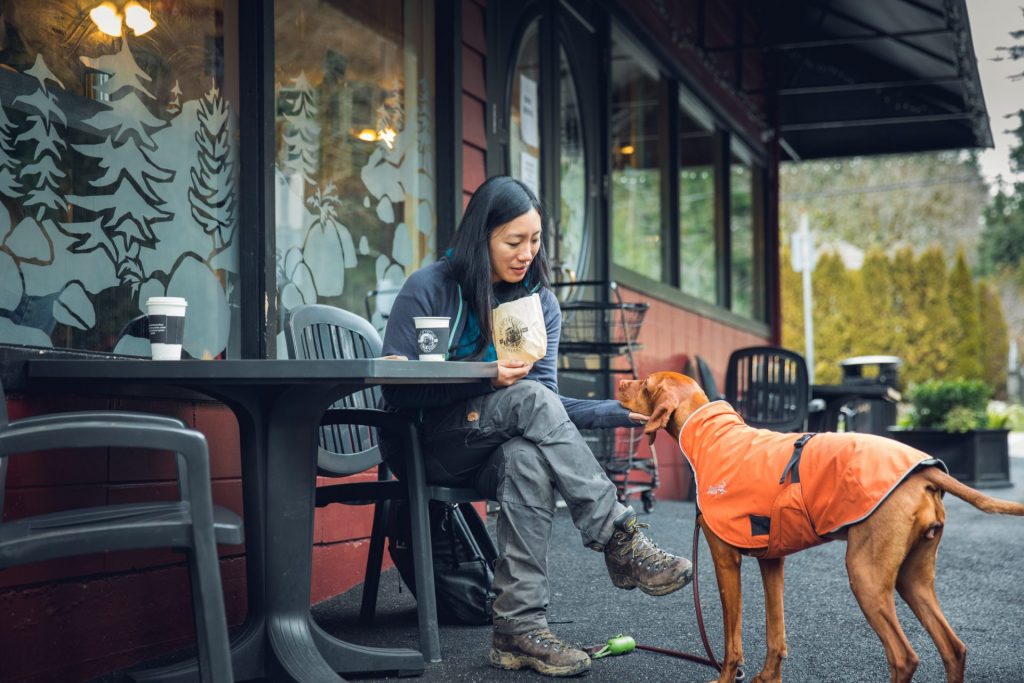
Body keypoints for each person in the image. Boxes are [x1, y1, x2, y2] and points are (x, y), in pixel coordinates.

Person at [380, 175, 692, 677]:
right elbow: (395, 390)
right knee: (523, 400)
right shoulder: (430, 287)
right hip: (424, 442)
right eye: (513, 241)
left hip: (491, 447)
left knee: (527, 458)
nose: (527, 253)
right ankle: (619, 537)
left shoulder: (538, 303)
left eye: (536, 240)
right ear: (480, 237)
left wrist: (612, 413)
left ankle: (517, 630)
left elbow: (542, 405)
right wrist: (482, 376)